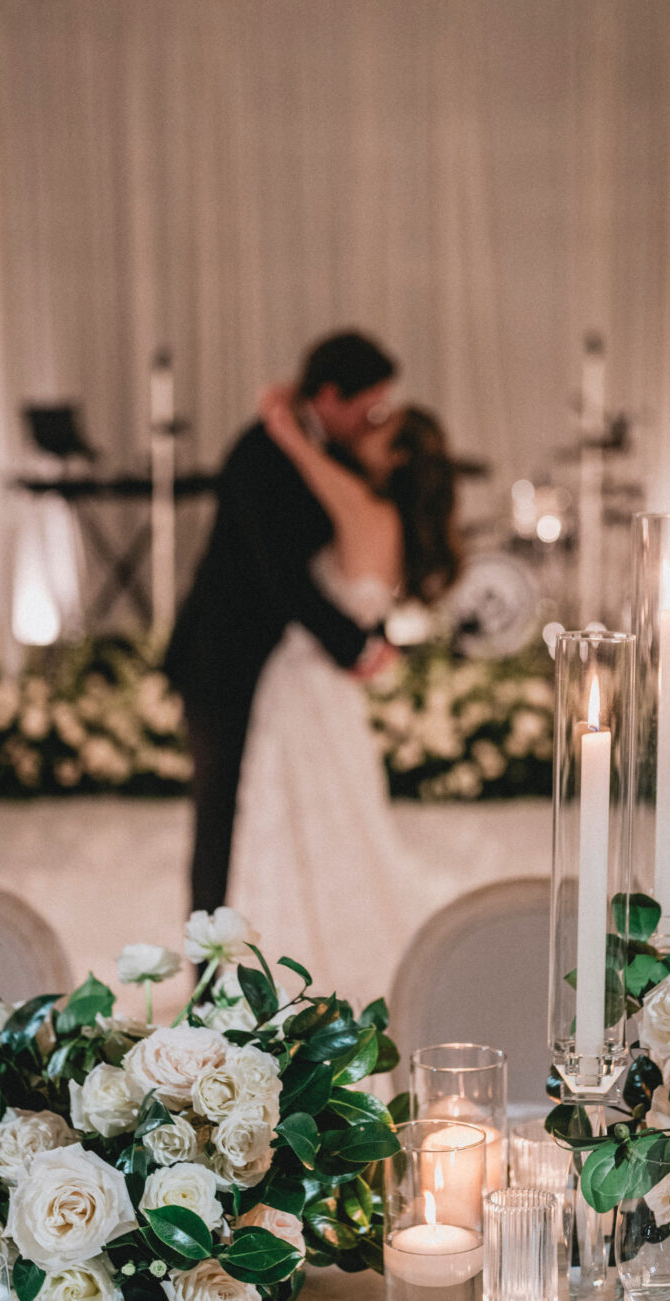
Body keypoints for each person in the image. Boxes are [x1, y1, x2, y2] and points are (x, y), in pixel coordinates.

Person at [225, 389, 462, 1004]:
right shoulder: (388, 518)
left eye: (384, 426)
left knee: (293, 821)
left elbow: (305, 462)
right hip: (329, 691)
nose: (369, 426)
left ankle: (290, 961)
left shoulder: (360, 503)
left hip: (303, 686)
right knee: (329, 823)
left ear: (400, 458)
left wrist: (283, 420)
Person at [164, 330, 399, 918]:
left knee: (265, 814)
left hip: (279, 664)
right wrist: (353, 645)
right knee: (221, 814)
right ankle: (209, 970)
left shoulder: (311, 449)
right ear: (328, 395)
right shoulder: (261, 451)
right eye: (366, 405)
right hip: (224, 661)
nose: (373, 419)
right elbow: (281, 575)